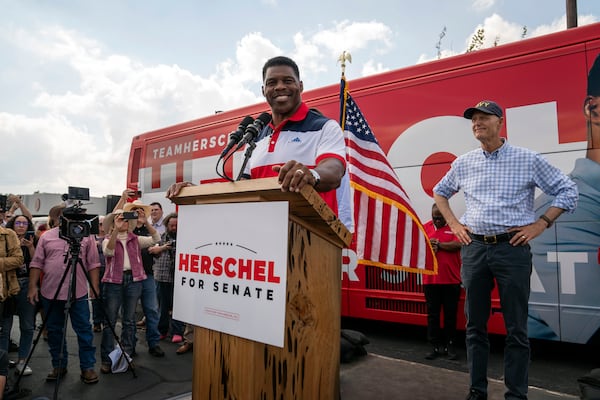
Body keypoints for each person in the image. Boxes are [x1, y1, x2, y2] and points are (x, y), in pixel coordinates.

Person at [433, 100, 578, 400]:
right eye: (473, 119)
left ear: (500, 123)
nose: (476, 123)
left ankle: (516, 395)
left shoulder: (527, 159)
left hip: (512, 250)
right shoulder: (463, 163)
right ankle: (477, 391)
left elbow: (568, 190)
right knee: (475, 326)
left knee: (516, 329)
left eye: (484, 118)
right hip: (474, 250)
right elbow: (440, 192)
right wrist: (455, 225)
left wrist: (540, 224)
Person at [166, 56, 346, 210]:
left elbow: (334, 171)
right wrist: (195, 193)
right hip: (260, 239)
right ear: (263, 90)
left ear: (300, 86)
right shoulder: (255, 138)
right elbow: (242, 190)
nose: (280, 87)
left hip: (311, 240)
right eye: (272, 83)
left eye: (288, 81)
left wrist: (311, 175)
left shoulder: (324, 127)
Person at [27, 204, 101, 384]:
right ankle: (59, 365)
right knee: (54, 331)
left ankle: (88, 368)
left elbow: (93, 263)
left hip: (79, 292)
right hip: (50, 292)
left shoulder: (87, 236)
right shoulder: (47, 236)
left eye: (80, 218)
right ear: (61, 218)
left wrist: (95, 287)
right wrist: (32, 287)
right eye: (72, 218)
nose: (77, 222)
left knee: (84, 330)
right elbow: (36, 262)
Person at [100, 209, 160, 374]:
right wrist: (116, 232)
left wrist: (145, 221)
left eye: (126, 220)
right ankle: (107, 359)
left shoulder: (136, 239)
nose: (123, 222)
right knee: (110, 322)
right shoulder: (106, 239)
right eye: (120, 219)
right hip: (113, 282)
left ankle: (126, 356)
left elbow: (157, 239)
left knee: (129, 321)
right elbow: (108, 252)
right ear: (113, 223)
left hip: (133, 281)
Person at [422, 203, 462, 361]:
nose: (437, 220)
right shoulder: (425, 227)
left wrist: (439, 245)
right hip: (430, 280)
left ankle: (450, 345)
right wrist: (428, 245)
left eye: (440, 218)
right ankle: (434, 346)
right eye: (434, 217)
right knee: (433, 315)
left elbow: (459, 244)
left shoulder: (455, 227)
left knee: (450, 316)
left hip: (451, 280)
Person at [2, 215, 38, 376]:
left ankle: (22, 361)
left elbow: (38, 263)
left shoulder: (33, 239)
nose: (21, 226)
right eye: (18, 223)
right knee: (4, 326)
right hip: (7, 283)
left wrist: (30, 247)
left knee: (27, 325)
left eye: (25, 223)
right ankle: (2, 361)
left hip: (26, 283)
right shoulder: (6, 238)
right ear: (12, 224)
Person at [148, 213, 184, 343]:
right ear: (167, 225)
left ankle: (177, 332)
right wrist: (161, 248)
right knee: (162, 307)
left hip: (179, 278)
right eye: (171, 225)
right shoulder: (161, 237)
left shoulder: (185, 239)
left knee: (178, 306)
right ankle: (162, 331)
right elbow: (152, 251)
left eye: (176, 225)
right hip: (162, 276)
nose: (174, 228)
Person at [91, 216, 106, 333]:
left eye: (104, 224)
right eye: (100, 224)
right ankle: (96, 322)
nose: (102, 227)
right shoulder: (91, 238)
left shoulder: (110, 237)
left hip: (107, 269)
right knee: (96, 296)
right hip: (95, 269)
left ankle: (106, 321)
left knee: (107, 296)